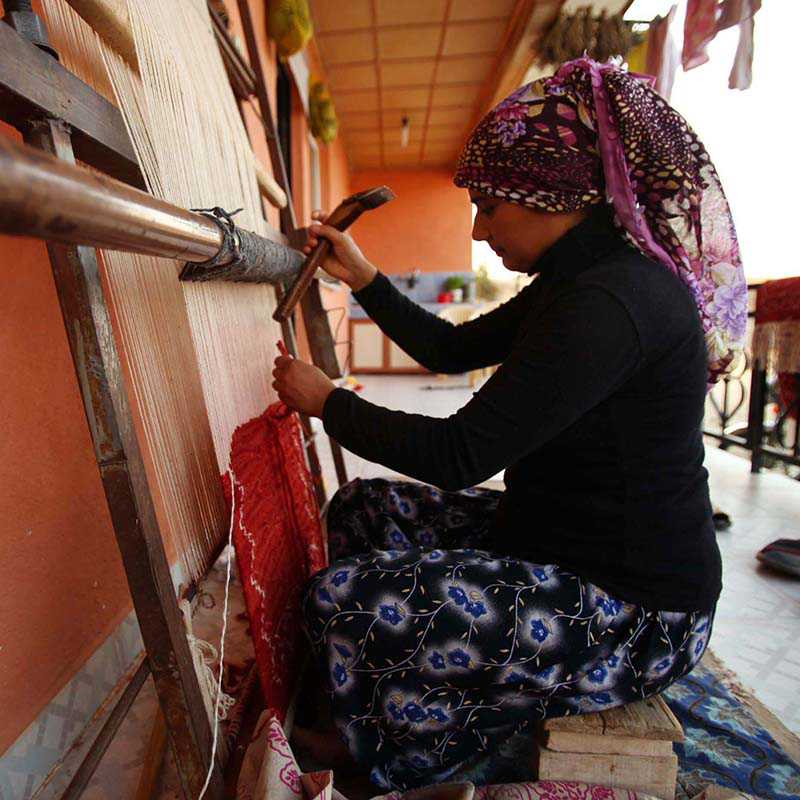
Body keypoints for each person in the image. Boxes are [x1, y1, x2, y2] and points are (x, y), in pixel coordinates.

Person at [272, 57, 747, 791]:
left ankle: (384, 748)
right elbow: (453, 348)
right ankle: (381, 700)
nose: (478, 226)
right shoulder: (575, 280)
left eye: (491, 206)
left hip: (636, 610)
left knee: (344, 601)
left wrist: (328, 401)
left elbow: (458, 452)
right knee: (363, 510)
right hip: (553, 540)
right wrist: (364, 277)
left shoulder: (610, 304)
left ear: (550, 196)